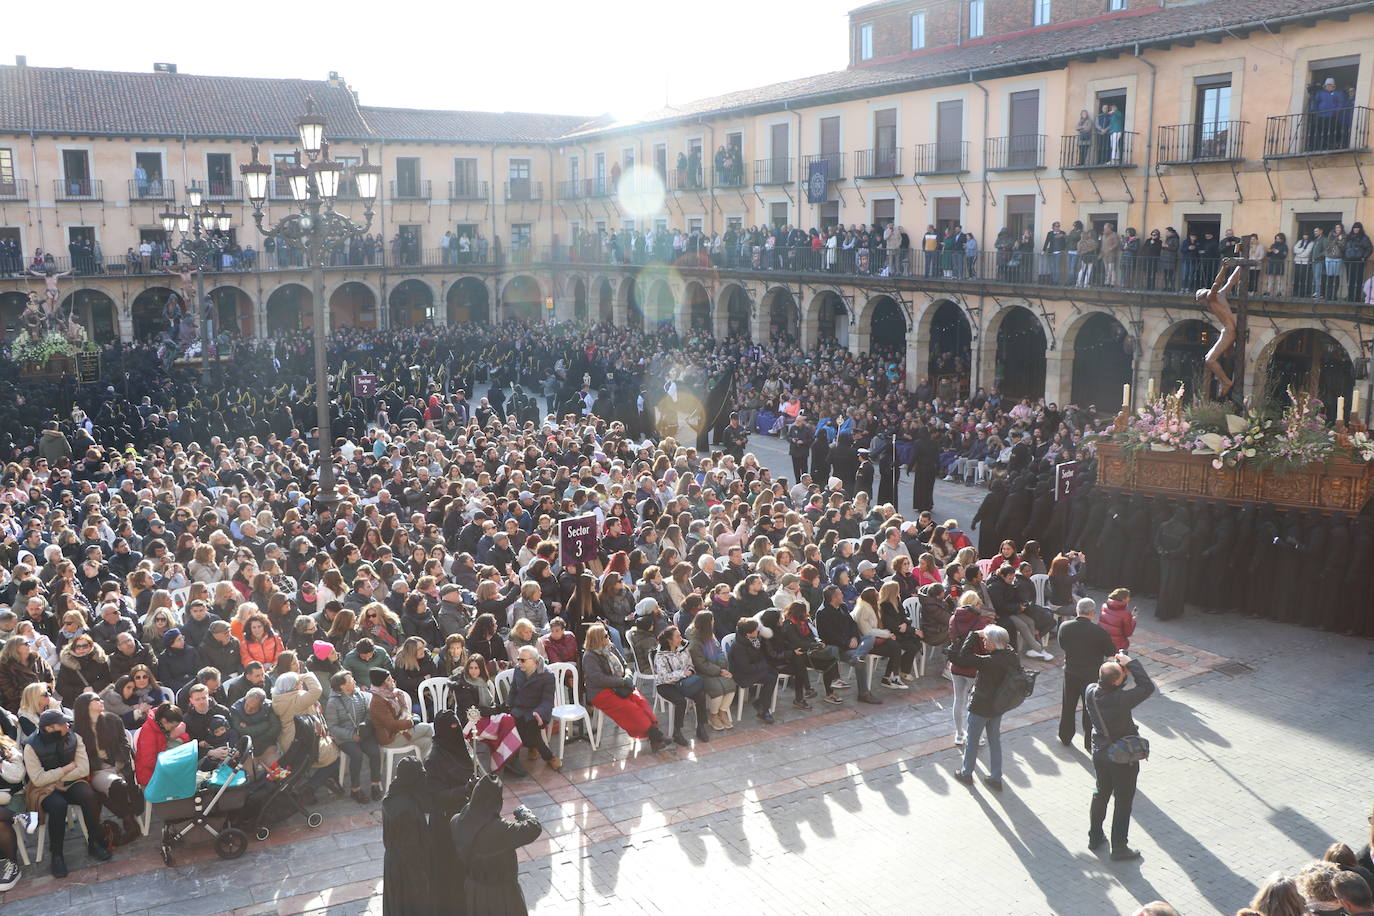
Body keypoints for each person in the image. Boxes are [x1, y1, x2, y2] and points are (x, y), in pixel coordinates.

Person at [23, 708, 113, 877]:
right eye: (63, 723)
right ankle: (57, 856)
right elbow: (37, 779)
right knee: (58, 806)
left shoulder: (74, 738)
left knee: (89, 795)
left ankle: (95, 842)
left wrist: (59, 779)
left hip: (70, 782)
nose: (68, 725)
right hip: (44, 789)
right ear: (50, 728)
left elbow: (84, 769)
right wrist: (64, 769)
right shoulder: (31, 747)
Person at [1084, 651, 1154, 860]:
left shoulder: (1090, 691)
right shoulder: (1121, 699)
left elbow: (1107, 679)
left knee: (1101, 793)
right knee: (1123, 801)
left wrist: (1117, 669)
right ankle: (1119, 847)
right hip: (1121, 757)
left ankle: (1095, 837)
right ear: (1117, 682)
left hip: (1100, 752)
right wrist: (1131, 664)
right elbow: (1147, 687)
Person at [450, 773, 543, 915]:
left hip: (475, 891)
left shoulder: (456, 821)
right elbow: (533, 828)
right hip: (502, 895)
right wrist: (524, 813)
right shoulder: (500, 830)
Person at [581, 623, 671, 752]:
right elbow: (598, 679)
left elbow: (624, 664)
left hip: (619, 685)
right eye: (605, 636)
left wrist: (628, 674)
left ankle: (654, 737)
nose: (608, 638)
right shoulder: (589, 656)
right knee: (629, 708)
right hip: (600, 691)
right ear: (597, 639)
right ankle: (656, 735)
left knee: (640, 701)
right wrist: (622, 681)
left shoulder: (610, 648)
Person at [950, 625, 1017, 791]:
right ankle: (996, 777)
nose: (984, 642)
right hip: (998, 706)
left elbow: (963, 656)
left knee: (972, 741)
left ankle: (966, 773)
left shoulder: (987, 661)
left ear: (994, 644)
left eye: (986, 640)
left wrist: (973, 635)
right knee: (995, 741)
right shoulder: (1013, 657)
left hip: (980, 707)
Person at [1056, 597, 1117, 750]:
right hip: (1091, 674)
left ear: (1077, 611)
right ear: (1092, 613)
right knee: (1089, 707)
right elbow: (1110, 651)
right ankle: (1088, 742)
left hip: (1070, 672)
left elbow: (1062, 644)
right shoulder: (1099, 632)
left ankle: (1065, 736)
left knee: (1068, 705)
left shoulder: (1065, 626)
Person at [380, 756, 432, 916]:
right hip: (407, 869)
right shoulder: (406, 809)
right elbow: (411, 848)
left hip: (393, 863)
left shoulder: (393, 794)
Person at [325, 670, 382, 803]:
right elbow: (332, 727)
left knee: (374, 751)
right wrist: (351, 735)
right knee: (357, 755)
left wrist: (365, 725)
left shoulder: (360, 695)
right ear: (342, 686)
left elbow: (369, 711)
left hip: (363, 734)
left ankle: (375, 784)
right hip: (345, 738)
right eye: (351, 680)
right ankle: (355, 789)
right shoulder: (333, 702)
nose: (354, 682)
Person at [652, 625, 710, 744]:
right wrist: (682, 674)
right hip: (666, 685)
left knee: (700, 695)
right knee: (680, 701)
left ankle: (701, 726)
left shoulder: (683, 648)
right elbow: (664, 677)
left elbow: (690, 665)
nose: (681, 638)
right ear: (669, 640)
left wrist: (689, 672)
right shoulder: (660, 655)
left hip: (684, 682)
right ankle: (677, 732)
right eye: (677, 636)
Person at [508, 646, 559, 770]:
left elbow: (547, 701)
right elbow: (513, 691)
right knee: (513, 726)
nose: (519, 663)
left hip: (539, 710)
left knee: (532, 730)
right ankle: (526, 751)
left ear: (534, 661)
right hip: (520, 709)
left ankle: (549, 756)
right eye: (518, 659)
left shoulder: (547, 676)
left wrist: (538, 712)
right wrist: (511, 707)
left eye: (523, 660)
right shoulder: (518, 670)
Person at [367, 668, 433, 760]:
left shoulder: (392, 694)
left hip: (400, 732)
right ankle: (437, 764)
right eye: (389, 680)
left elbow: (403, 714)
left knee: (426, 742)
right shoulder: (378, 701)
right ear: (382, 683)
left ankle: (423, 768)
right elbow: (392, 725)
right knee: (428, 728)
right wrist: (411, 722)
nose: (393, 681)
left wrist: (413, 717)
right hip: (390, 738)